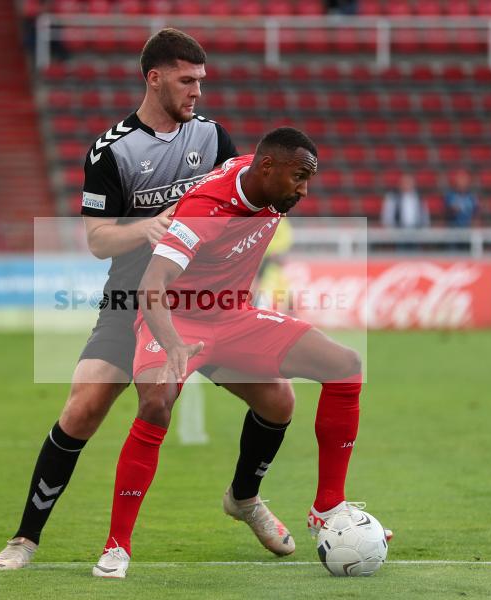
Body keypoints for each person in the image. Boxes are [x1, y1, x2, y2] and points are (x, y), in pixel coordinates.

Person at [0, 28, 297, 570]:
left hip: (206, 307)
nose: (197, 91)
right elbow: (96, 239)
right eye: (186, 80)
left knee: (277, 400)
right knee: (81, 410)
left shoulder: (214, 138)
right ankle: (24, 540)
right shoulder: (112, 151)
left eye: (201, 80)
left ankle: (245, 500)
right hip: (132, 300)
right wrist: (151, 227)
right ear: (154, 78)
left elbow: (243, 206)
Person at [92, 128, 390, 579]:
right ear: (267, 168)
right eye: (299, 177)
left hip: (233, 317)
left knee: (333, 372)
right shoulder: (204, 210)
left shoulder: (267, 179)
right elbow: (151, 285)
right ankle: (117, 546)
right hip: (179, 318)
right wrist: (172, 342)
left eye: (308, 178)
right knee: (156, 400)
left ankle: (324, 507)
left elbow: (266, 160)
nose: (304, 189)